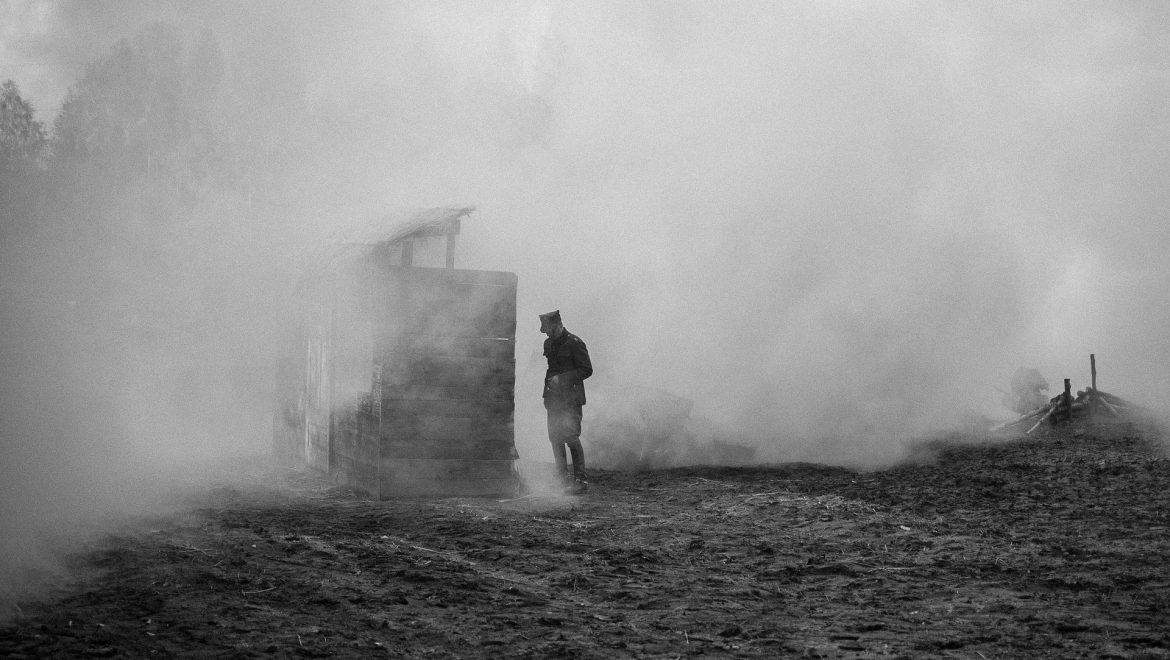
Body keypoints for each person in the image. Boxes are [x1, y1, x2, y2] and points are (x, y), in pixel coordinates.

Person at [540, 310, 593, 494]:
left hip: (571, 399)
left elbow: (586, 370)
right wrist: (546, 394)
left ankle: (580, 480)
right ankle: (561, 479)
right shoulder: (549, 344)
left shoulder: (575, 343)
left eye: (549, 329)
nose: (546, 333)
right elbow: (550, 370)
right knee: (555, 437)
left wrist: (562, 379)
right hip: (554, 400)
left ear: (558, 325)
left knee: (570, 437)